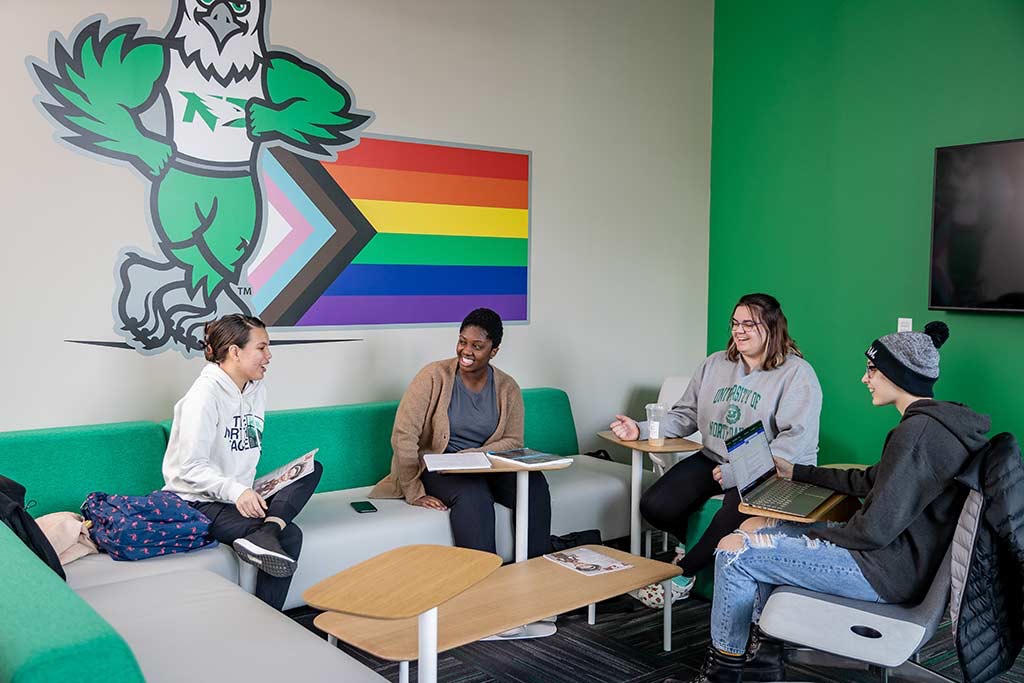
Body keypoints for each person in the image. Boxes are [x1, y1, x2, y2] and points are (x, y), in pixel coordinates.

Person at [671, 321, 990, 683]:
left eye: (872, 370)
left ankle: (721, 677)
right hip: (895, 560)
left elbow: (872, 531)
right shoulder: (932, 426)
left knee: (735, 554)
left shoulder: (914, 436)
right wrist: (799, 473)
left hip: (882, 571)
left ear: (897, 374)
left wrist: (812, 531)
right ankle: (762, 661)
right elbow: (872, 480)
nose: (864, 379)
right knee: (752, 526)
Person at [610, 293, 822, 605]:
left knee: (732, 511)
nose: (739, 330)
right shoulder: (714, 364)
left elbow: (792, 443)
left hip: (773, 470)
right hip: (715, 456)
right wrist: (640, 429)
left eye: (749, 324)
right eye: (736, 323)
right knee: (655, 505)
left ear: (773, 328)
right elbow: (684, 416)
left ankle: (681, 575)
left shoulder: (797, 374)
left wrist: (738, 473)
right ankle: (696, 546)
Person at [162, 314, 323, 611]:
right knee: (291, 535)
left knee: (310, 469)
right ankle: (267, 617)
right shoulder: (204, 396)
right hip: (198, 500)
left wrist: (250, 491)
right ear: (235, 352)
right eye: (261, 348)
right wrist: (238, 493)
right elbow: (189, 467)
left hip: (238, 494)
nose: (269, 356)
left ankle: (266, 531)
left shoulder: (255, 389)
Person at [369, 308, 552, 557]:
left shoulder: (507, 387)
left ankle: (536, 570)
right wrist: (413, 491)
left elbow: (513, 440)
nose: (466, 351)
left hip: (486, 465)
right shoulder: (433, 376)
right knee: (474, 497)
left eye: (477, 346)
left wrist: (474, 455)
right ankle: (484, 583)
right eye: (462, 342)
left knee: (534, 485)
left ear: (493, 351)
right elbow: (404, 435)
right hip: (440, 467)